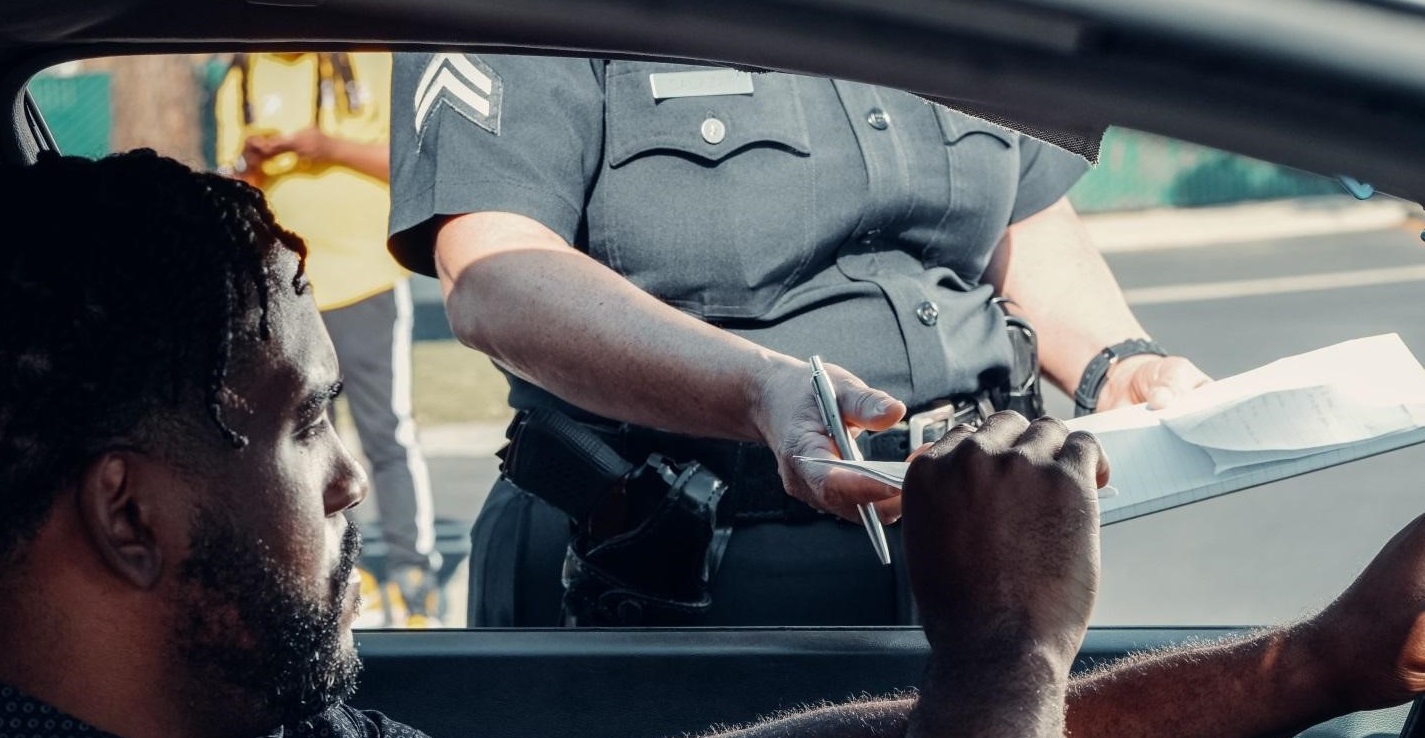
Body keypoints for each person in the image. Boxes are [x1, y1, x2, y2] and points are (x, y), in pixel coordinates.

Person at [8, 150, 1425, 738]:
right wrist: (1004, 663)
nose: (353, 478)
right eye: (308, 421)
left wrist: (1312, 664)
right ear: (130, 513)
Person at [385, 54, 1212, 628]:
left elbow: (1019, 205)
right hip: (671, 565)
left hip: (982, 538)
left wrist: (1118, 365)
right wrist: (759, 392)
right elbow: (493, 273)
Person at [215, 51, 443, 626]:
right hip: (291, 291)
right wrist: (252, 160)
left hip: (365, 280)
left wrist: (326, 147)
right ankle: (344, 572)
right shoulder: (242, 75)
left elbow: (414, 164)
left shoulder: (366, 62)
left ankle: (416, 579)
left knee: (387, 432)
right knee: (307, 441)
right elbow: (235, 185)